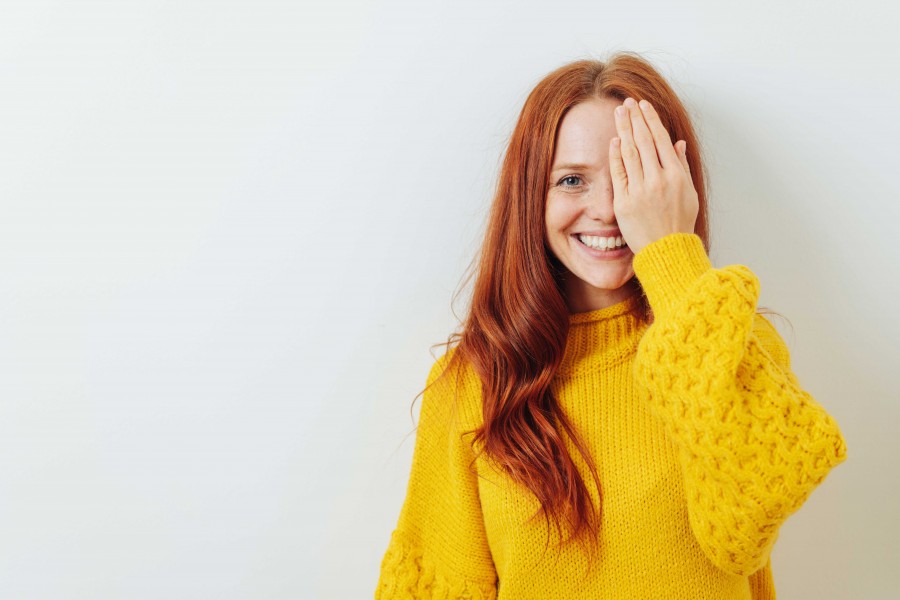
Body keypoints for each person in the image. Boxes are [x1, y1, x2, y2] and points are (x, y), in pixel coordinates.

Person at [374, 51, 848, 599]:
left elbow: (751, 516)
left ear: (675, 189)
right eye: (572, 179)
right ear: (531, 197)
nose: (607, 210)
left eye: (632, 178)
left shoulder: (737, 347)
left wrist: (672, 253)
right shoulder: (472, 381)